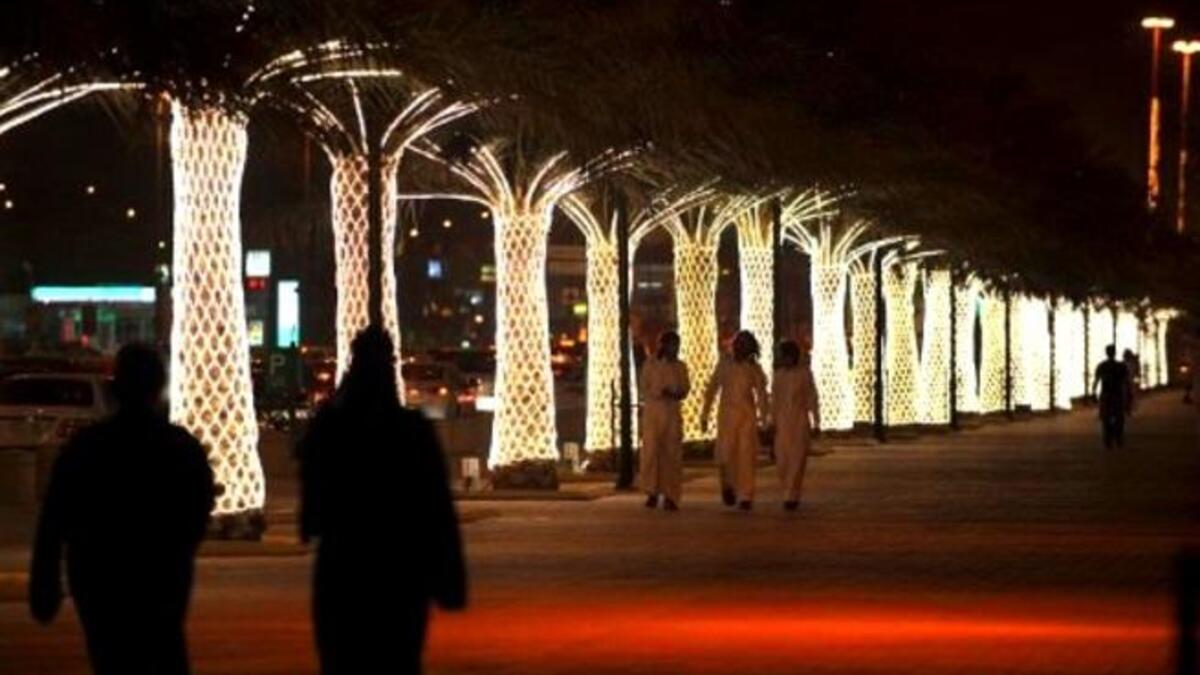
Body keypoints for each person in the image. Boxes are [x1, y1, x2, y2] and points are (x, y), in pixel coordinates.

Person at [29, 343, 215, 675]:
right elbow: (199, 509)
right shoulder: (180, 447)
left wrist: (45, 580)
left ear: (115, 388)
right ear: (160, 387)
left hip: (100, 577)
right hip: (161, 576)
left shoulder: (86, 447)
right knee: (164, 650)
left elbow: (54, 518)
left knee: (110, 657)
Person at [297, 326, 466, 675]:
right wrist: (449, 578)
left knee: (341, 661)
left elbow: (311, 493)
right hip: (399, 574)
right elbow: (437, 510)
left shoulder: (332, 427)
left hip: (342, 569)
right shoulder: (411, 431)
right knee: (398, 660)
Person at [701, 330, 770, 511]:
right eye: (738, 344)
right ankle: (728, 486)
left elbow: (762, 395)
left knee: (746, 456)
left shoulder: (754, 368)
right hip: (726, 417)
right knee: (726, 455)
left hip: (746, 418)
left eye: (744, 345)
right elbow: (711, 389)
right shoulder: (724, 365)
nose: (740, 347)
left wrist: (765, 420)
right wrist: (704, 415)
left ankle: (745, 496)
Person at [639, 331, 690, 511]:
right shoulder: (651, 365)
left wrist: (676, 393)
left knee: (672, 455)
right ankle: (651, 492)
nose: (674, 349)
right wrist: (660, 392)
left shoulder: (680, 367)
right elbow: (644, 386)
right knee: (651, 453)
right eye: (671, 345)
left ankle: (671, 495)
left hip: (672, 413)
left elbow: (685, 388)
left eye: (676, 345)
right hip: (654, 412)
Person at [772, 340, 821, 511]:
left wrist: (816, 421)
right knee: (782, 458)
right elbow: (775, 399)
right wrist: (771, 421)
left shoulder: (804, 374)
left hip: (799, 420)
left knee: (797, 458)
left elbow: (812, 397)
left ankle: (791, 495)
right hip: (782, 422)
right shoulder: (778, 375)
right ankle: (787, 489)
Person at [1093, 344, 1132, 449]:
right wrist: (1129, 396)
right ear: (1115, 353)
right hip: (1117, 395)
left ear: (1106, 353)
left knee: (1105, 418)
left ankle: (1108, 439)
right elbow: (1127, 382)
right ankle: (1118, 438)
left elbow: (1096, 381)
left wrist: (1093, 393)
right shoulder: (1121, 366)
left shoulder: (1101, 366)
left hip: (1106, 395)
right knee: (1119, 418)